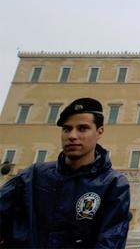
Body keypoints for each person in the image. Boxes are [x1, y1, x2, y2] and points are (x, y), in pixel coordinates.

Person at [0, 98, 130, 248]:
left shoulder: (114, 184)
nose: (72, 136)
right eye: (67, 129)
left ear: (99, 131)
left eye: (82, 128)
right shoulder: (33, 175)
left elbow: (109, 242)